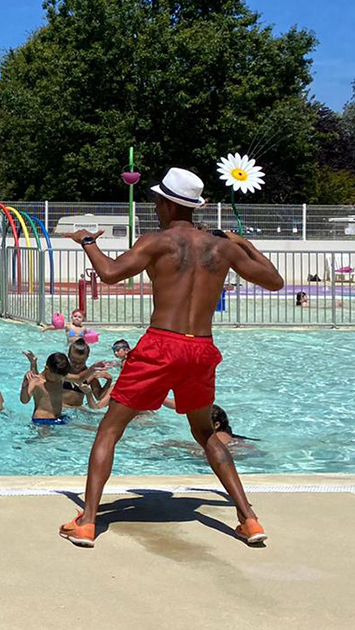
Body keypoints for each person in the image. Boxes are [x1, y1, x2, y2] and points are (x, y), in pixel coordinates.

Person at [58, 167, 284, 548]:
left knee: (109, 429)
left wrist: (88, 242)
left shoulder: (157, 242)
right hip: (201, 349)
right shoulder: (223, 248)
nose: (154, 206)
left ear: (167, 203)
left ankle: (88, 522)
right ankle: (249, 518)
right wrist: (241, 242)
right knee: (205, 433)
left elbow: (109, 273)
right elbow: (275, 281)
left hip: (162, 344)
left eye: (156, 200)